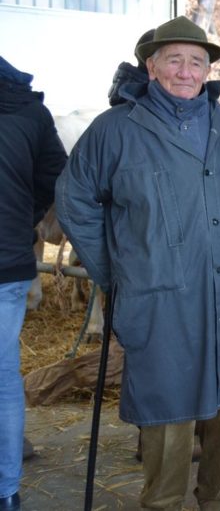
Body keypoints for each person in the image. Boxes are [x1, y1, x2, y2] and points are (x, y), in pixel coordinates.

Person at [56, 17, 220, 511]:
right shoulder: (115, 129)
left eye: (196, 61)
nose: (186, 70)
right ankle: (164, 504)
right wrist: (114, 270)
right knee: (168, 408)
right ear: (151, 67)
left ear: (208, 70)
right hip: (162, 295)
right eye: (174, 59)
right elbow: (74, 201)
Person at [0, 56, 67, 511]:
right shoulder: (29, 107)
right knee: (3, 375)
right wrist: (23, 216)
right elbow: (53, 178)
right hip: (7, 258)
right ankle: (6, 490)